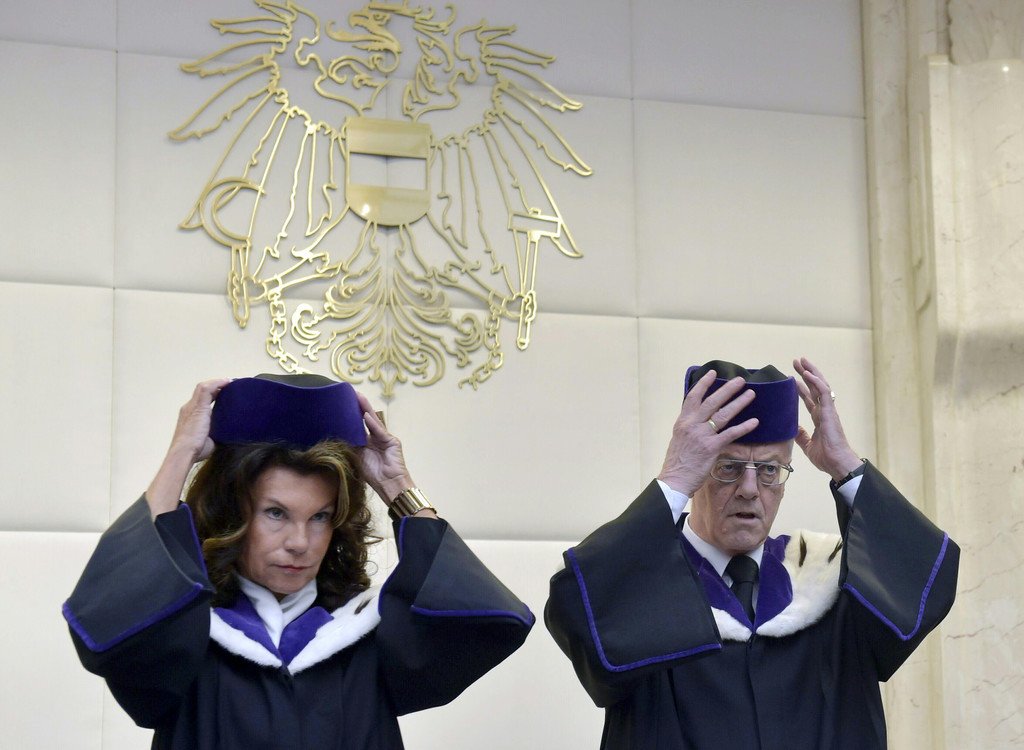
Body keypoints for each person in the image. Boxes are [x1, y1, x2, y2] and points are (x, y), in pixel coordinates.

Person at [64, 373, 533, 750]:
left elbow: (481, 621)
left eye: (320, 517)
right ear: (233, 514)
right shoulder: (185, 639)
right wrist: (181, 455)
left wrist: (397, 485)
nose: (300, 542)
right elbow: (113, 616)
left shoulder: (365, 641)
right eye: (276, 513)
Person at [545, 358, 958, 749]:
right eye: (727, 467)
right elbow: (576, 614)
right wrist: (673, 480)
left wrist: (845, 466)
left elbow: (927, 579)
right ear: (697, 474)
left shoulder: (828, 584)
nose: (749, 489)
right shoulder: (646, 589)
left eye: (769, 470)